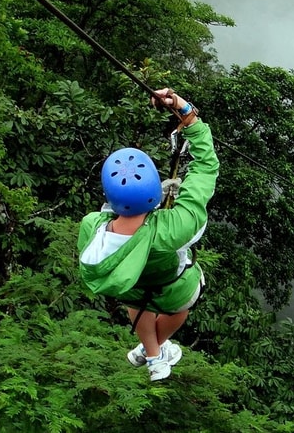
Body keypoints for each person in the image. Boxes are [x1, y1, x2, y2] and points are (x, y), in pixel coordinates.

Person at [76, 88, 219, 381]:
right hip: (171, 290)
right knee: (184, 303)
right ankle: (153, 351)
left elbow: (107, 216)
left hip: (132, 290)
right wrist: (187, 113)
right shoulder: (173, 228)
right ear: (154, 193)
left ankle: (152, 354)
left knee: (137, 302)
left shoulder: (91, 225)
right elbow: (206, 167)